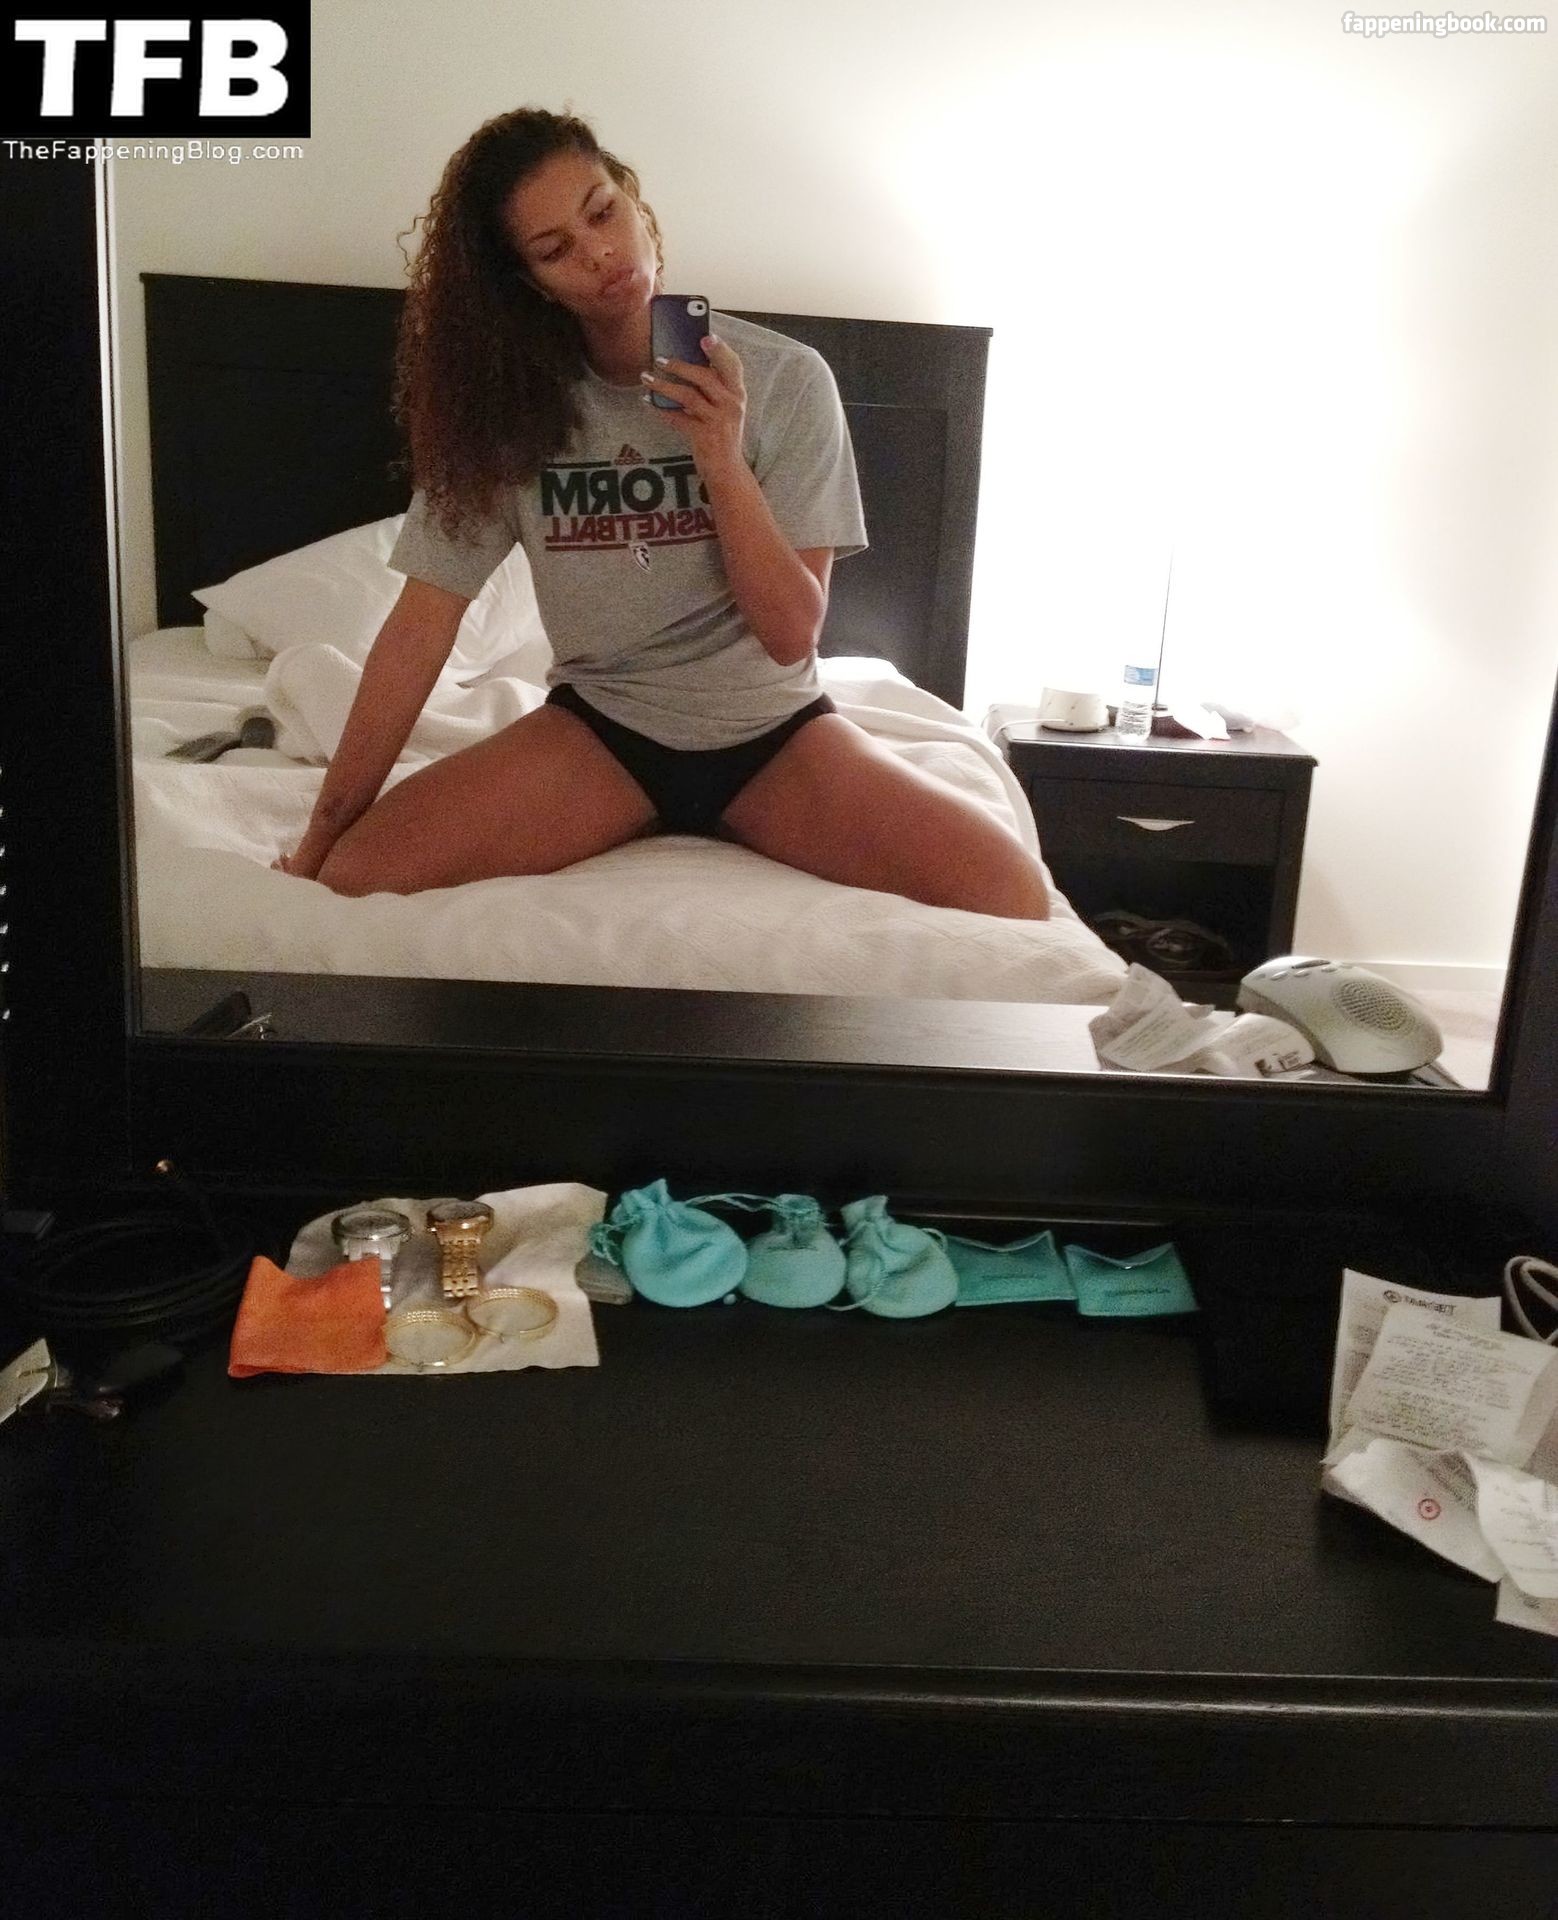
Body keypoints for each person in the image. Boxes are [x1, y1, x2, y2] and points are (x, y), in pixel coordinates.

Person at [276, 107, 1049, 920]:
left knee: (1011, 892)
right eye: (554, 250)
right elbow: (419, 629)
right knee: (356, 875)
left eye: (602, 211)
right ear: (530, 284)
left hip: (773, 733)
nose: (598, 253)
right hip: (603, 732)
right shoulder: (508, 413)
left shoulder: (787, 380)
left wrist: (720, 455)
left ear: (636, 204)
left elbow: (791, 632)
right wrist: (323, 834)